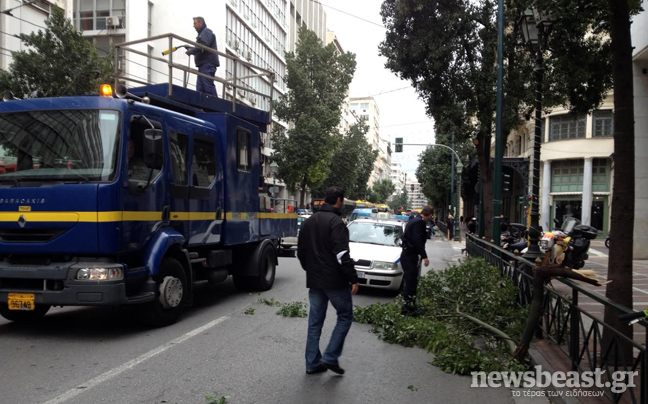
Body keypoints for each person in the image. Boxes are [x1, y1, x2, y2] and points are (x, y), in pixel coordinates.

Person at [297, 186, 359, 375]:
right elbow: (341, 255)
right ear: (339, 200)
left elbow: (300, 253)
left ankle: (312, 363)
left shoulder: (309, 222)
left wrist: (311, 270)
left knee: (315, 323)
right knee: (345, 316)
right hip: (334, 282)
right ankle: (330, 357)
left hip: (315, 282)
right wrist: (353, 278)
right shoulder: (336, 222)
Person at [400, 205, 433, 315]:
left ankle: (409, 305)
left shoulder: (414, 220)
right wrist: (425, 256)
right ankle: (407, 307)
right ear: (430, 215)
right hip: (410, 255)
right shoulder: (420, 222)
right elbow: (417, 240)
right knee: (411, 282)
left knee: (410, 281)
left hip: (407, 254)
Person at [186, 16, 220, 96]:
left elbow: (203, 46)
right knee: (200, 89)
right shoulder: (203, 34)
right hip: (203, 65)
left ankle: (214, 104)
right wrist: (192, 49)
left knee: (207, 87)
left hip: (207, 64)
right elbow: (201, 47)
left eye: (195, 23)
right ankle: (203, 106)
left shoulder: (206, 32)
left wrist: (192, 50)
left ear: (200, 23)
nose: (193, 26)